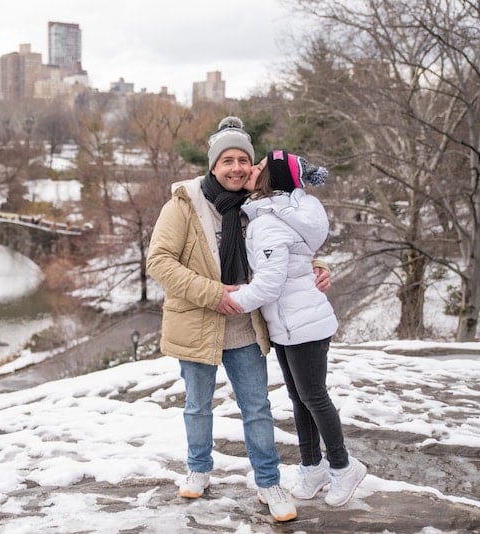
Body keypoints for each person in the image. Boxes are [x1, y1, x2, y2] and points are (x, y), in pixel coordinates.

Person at [146, 117, 330, 522]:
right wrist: (213, 294)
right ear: (213, 166)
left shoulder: (255, 206)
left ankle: (268, 482)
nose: (236, 168)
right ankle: (199, 469)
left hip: (246, 324)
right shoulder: (184, 205)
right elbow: (158, 262)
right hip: (197, 321)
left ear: (251, 167)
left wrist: (315, 265)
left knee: (257, 407)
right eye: (226, 160)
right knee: (197, 405)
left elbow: (286, 246)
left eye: (243, 160)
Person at [229, 149, 367, 507]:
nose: (251, 170)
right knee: (300, 399)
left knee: (314, 398)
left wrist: (234, 302)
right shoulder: (271, 214)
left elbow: (270, 283)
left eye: (258, 166)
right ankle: (312, 467)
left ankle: (343, 466)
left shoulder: (270, 222)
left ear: (271, 179)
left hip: (304, 324)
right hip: (288, 325)